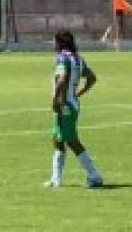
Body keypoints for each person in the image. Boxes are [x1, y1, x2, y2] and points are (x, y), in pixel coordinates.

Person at [46, 29, 103, 189]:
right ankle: (55, 178)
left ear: (59, 42)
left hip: (64, 105)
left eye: (54, 41)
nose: (53, 44)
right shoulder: (78, 59)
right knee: (57, 139)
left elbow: (63, 79)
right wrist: (79, 93)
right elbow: (92, 78)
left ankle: (95, 175)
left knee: (71, 141)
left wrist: (56, 98)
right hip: (72, 103)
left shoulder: (62, 58)